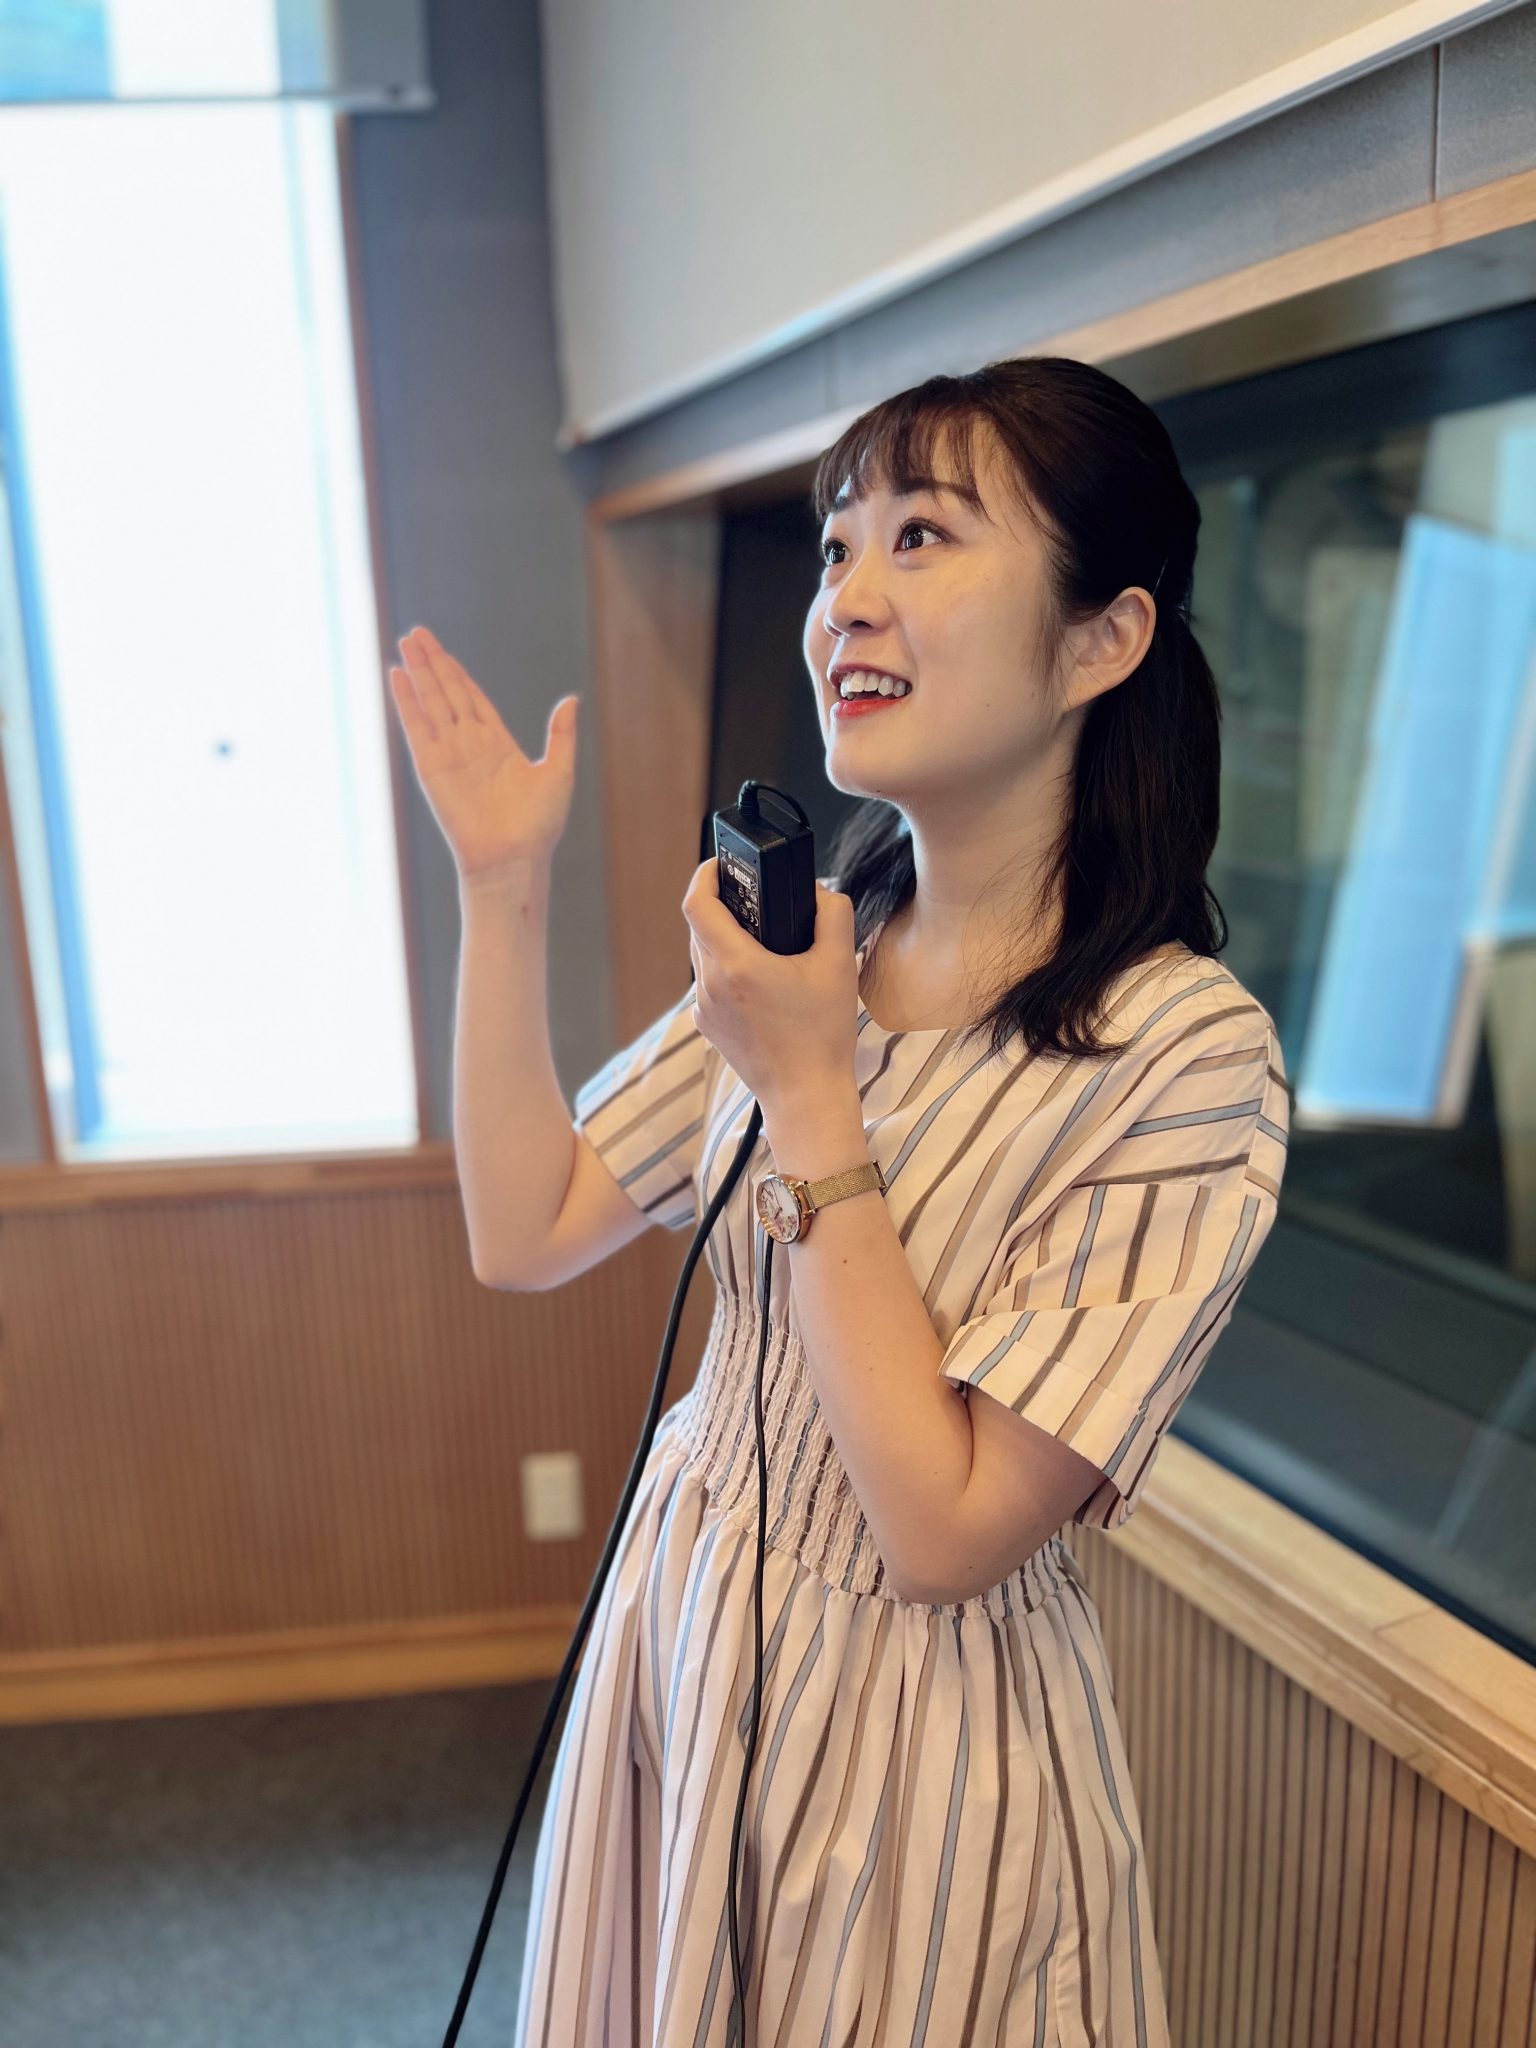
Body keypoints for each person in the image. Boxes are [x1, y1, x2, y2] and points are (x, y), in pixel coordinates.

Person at [389, 354, 1291, 2046]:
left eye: (923, 537)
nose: (846, 601)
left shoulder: (1184, 1054)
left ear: (1105, 639)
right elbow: (527, 1226)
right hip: (688, 1615)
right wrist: (501, 889)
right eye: (834, 547)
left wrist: (811, 1095)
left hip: (915, 1738)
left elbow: (945, 1531)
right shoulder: (822, 939)